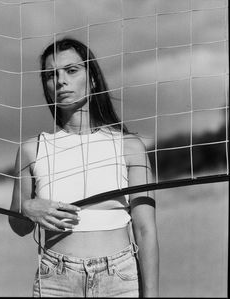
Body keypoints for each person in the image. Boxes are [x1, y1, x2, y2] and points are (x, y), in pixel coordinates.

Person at [9, 38, 159, 297]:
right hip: (56, 280)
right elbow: (19, 226)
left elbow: (145, 230)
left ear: (92, 79)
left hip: (120, 278)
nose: (60, 81)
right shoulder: (31, 150)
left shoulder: (129, 146)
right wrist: (26, 208)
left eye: (71, 70)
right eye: (50, 75)